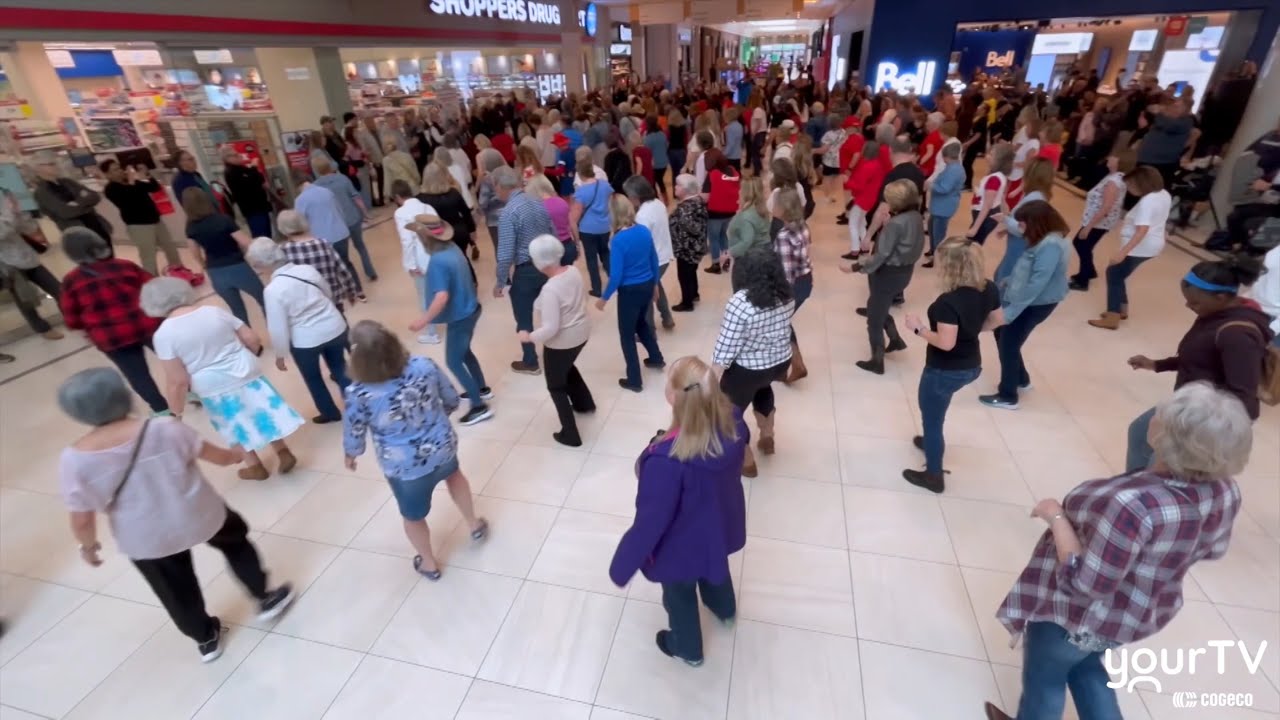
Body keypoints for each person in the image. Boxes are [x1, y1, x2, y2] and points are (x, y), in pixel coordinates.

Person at [984, 382, 1250, 720]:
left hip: (1073, 617)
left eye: (1161, 415)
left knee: (1046, 679)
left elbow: (1086, 584)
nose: (1152, 416)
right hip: (1134, 614)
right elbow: (1213, 550)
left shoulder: (1131, 505)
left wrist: (1056, 516)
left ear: (1167, 439)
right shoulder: (1225, 491)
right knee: (1084, 666)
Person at [56, 367, 294, 663]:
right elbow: (219, 458)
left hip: (145, 537)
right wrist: (236, 453)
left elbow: (81, 517)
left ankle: (205, 638)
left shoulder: (74, 460)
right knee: (236, 542)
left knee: (172, 587)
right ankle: (265, 597)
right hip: (199, 513)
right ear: (124, 395)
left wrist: (88, 547)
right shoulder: (164, 428)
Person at [608, 355, 746, 667]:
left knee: (680, 596)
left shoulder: (667, 464)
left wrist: (623, 565)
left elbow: (650, 523)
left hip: (680, 545)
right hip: (719, 526)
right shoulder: (734, 422)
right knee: (715, 569)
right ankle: (725, 611)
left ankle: (687, 648)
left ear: (672, 397)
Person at [343, 320, 489, 580]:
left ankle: (429, 563)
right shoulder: (424, 366)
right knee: (456, 477)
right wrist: (436, 420)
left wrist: (352, 453)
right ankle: (474, 524)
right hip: (442, 446)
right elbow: (452, 399)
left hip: (405, 467)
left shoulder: (358, 393)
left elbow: (354, 430)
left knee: (413, 516)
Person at [143, 277, 302, 480]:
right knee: (262, 410)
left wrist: (176, 413)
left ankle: (255, 466)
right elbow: (251, 338)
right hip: (245, 370)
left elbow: (178, 380)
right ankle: (283, 452)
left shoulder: (164, 334)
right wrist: (253, 354)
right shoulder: (213, 311)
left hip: (212, 385)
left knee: (233, 424)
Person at [1123, 255, 1272, 471]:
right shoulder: (1215, 314)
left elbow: (1243, 395)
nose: (1188, 306)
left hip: (1205, 418)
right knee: (1140, 433)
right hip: (1188, 403)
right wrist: (1156, 365)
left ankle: (1148, 494)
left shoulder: (1237, 335)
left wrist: (1214, 439)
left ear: (1221, 297)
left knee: (1161, 463)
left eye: (1195, 302)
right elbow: (1200, 356)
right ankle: (1135, 485)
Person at [902, 239, 1003, 493]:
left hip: (944, 369)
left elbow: (945, 344)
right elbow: (997, 320)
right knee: (938, 408)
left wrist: (918, 328)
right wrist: (970, 331)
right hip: (972, 365)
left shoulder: (947, 303)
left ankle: (933, 476)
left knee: (932, 418)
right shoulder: (989, 288)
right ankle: (929, 441)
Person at [59, 228, 169, 414]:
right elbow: (153, 287)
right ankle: (189, 391)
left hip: (111, 338)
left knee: (137, 374)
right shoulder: (125, 266)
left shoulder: (71, 281)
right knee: (171, 358)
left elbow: (71, 317)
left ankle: (161, 410)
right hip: (146, 324)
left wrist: (85, 328)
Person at [246, 238, 350, 424]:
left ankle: (330, 413)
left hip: (305, 341)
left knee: (313, 378)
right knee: (340, 366)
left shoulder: (273, 290)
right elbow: (328, 294)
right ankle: (357, 405)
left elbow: (278, 326)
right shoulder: (307, 270)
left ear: (262, 264)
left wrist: (280, 354)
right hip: (334, 327)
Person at [979, 201, 1071, 410]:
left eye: (1022, 224)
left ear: (1035, 223)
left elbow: (1038, 283)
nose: (1019, 229)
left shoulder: (1051, 245)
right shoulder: (1045, 238)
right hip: (1028, 299)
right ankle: (1021, 379)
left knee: (1008, 343)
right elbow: (1030, 268)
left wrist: (1010, 312)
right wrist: (1010, 280)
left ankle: (1008, 395)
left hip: (1035, 303)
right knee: (1005, 336)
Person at [713, 247, 794, 478]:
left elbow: (726, 347)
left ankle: (746, 460)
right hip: (779, 362)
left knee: (728, 412)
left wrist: (712, 378)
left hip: (747, 370)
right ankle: (767, 435)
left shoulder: (740, 302)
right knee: (763, 386)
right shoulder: (786, 294)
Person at [407, 214, 494, 426]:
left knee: (453, 361)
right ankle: (481, 388)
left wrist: (424, 320)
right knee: (465, 353)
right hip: (471, 308)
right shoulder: (452, 248)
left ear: (424, 237)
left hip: (460, 317)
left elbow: (442, 296)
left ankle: (478, 406)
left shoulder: (438, 261)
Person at [518, 234, 595, 446]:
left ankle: (570, 434)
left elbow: (551, 328)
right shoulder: (573, 271)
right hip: (582, 332)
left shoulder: (551, 289)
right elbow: (584, 299)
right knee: (567, 366)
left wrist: (529, 337)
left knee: (555, 386)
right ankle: (584, 403)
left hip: (562, 341)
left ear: (538, 261)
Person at [844, 179, 925, 375]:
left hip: (887, 274)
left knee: (874, 317)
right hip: (904, 273)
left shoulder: (896, 223)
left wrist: (855, 266)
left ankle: (877, 360)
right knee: (878, 306)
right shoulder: (915, 216)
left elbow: (881, 255)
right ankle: (896, 340)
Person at [595, 193, 665, 392]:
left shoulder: (618, 240)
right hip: (646, 285)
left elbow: (616, 276)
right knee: (641, 323)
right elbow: (654, 259)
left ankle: (634, 379)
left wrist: (604, 298)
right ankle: (656, 357)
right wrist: (655, 285)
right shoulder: (643, 230)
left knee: (626, 335)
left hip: (629, 291)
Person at [1088, 166, 1173, 331]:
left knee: (1114, 273)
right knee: (1119, 274)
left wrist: (1122, 252)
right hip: (1152, 244)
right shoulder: (1163, 194)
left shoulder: (1148, 202)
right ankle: (1121, 309)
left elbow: (1142, 230)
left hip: (1141, 246)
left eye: (1131, 185)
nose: (1129, 189)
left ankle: (1113, 317)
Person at [494, 166, 555, 375]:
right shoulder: (538, 202)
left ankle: (530, 361)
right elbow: (552, 231)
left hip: (526, 270)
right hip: (547, 266)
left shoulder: (509, 213)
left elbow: (505, 254)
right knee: (549, 311)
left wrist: (500, 282)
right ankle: (555, 353)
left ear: (502, 187)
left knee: (524, 317)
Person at [182, 187, 264, 327]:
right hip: (238, 266)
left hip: (216, 271)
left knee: (237, 311)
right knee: (264, 300)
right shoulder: (223, 220)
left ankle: (251, 344)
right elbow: (245, 242)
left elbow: (194, 252)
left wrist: (204, 265)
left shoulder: (190, 227)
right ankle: (279, 334)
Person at [292, 168, 367, 302]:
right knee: (346, 262)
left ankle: (335, 296)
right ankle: (358, 291)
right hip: (341, 233)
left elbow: (300, 223)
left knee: (327, 268)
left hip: (321, 239)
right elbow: (340, 211)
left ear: (297, 185)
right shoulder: (326, 192)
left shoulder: (300, 200)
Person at [1, 189, 63, 339]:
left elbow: (26, 227)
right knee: (25, 299)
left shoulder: (4, 195)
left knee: (58, 288)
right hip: (7, 262)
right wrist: (10, 215)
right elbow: (2, 232)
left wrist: (19, 214)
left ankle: (73, 316)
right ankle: (42, 329)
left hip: (26, 256)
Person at [101, 159, 182, 275]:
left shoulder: (131, 183)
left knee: (170, 248)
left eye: (119, 167)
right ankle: (152, 280)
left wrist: (147, 174)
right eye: (115, 170)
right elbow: (129, 197)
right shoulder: (111, 189)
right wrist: (132, 180)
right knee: (149, 256)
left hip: (156, 221)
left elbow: (154, 187)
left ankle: (179, 272)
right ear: (107, 174)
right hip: (139, 226)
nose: (119, 171)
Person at [274, 209, 359, 313]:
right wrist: (351, 292)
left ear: (282, 228)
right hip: (331, 300)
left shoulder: (283, 251)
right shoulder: (324, 244)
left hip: (304, 306)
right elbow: (343, 270)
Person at [1070, 153, 1134, 291]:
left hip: (1098, 222)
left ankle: (1083, 279)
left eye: (1113, 157)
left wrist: (1089, 227)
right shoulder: (1116, 178)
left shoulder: (1113, 182)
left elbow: (1106, 206)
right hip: (1102, 221)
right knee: (1083, 245)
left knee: (1082, 245)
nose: (1109, 157)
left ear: (1119, 162)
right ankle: (1088, 271)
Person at [311, 155, 377, 284]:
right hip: (352, 218)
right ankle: (370, 271)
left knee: (342, 255)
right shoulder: (342, 179)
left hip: (336, 224)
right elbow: (356, 197)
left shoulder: (316, 186)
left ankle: (350, 279)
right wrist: (365, 213)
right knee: (360, 246)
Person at [772, 188, 813, 385]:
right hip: (806, 280)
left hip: (792, 285)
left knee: (780, 321)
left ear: (783, 208)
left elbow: (786, 273)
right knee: (782, 321)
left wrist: (779, 296)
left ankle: (796, 364)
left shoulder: (783, 235)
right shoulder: (803, 226)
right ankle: (792, 364)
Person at [994, 157, 1056, 284]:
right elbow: (1024, 220)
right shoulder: (1038, 194)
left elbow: (1024, 229)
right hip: (1018, 244)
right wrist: (1007, 228)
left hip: (1019, 245)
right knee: (1001, 274)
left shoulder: (1034, 198)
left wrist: (1005, 219)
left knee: (1004, 279)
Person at [626, 175, 676, 331]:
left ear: (635, 196)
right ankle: (667, 318)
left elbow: (642, 243)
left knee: (645, 294)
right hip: (664, 255)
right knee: (656, 286)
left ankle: (648, 329)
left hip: (653, 259)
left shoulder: (642, 216)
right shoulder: (658, 204)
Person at [31, 150, 113, 243]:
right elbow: (66, 212)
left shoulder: (67, 181)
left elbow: (95, 197)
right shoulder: (41, 192)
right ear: (38, 168)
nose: (56, 166)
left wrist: (77, 203)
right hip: (78, 234)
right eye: (51, 164)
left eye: (55, 163)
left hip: (97, 225)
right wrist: (84, 201)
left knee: (109, 254)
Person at [570, 148, 613, 297]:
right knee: (606, 254)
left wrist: (576, 241)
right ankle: (615, 281)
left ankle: (597, 288)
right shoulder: (605, 185)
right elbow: (610, 204)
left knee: (591, 260)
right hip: (604, 227)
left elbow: (573, 219)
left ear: (580, 174)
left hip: (588, 230)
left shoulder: (581, 192)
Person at [419, 163, 477, 263]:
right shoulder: (453, 193)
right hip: (458, 233)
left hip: (436, 236)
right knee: (463, 261)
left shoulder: (420, 199)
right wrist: (472, 230)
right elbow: (466, 213)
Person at [669, 173, 708, 312]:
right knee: (691, 272)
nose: (675, 187)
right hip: (696, 246)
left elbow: (693, 227)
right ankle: (694, 294)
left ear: (685, 189)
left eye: (678, 185)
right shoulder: (698, 202)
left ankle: (687, 302)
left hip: (687, 248)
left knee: (684, 275)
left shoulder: (685, 208)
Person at [923, 143, 965, 268]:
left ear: (946, 156)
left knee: (938, 233)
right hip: (940, 206)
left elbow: (944, 188)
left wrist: (930, 185)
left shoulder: (953, 170)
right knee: (932, 228)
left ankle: (936, 257)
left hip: (943, 207)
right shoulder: (955, 167)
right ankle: (933, 251)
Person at [843, 141, 886, 261]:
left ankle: (855, 250)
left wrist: (847, 181)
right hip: (871, 198)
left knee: (853, 223)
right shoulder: (877, 164)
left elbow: (859, 186)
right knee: (861, 223)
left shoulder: (867, 166)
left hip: (862, 198)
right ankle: (864, 247)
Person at [220, 147, 275, 238]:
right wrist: (254, 167)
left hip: (260, 206)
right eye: (236, 155)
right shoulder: (231, 172)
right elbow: (249, 183)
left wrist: (254, 170)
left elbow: (259, 178)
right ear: (228, 158)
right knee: (261, 236)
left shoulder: (242, 168)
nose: (240, 156)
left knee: (267, 234)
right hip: (253, 209)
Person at [701, 149, 740, 274]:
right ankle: (726, 259)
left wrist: (697, 195)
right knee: (723, 234)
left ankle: (716, 264)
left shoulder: (712, 174)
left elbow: (706, 196)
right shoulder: (733, 171)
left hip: (715, 212)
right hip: (730, 211)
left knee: (713, 238)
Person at [965, 143, 1013, 245]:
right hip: (989, 214)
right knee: (973, 244)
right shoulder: (999, 176)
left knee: (971, 245)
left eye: (991, 155)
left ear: (999, 161)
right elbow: (1000, 198)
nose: (987, 156)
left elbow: (987, 206)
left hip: (985, 215)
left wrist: (975, 228)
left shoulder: (994, 179)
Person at [527, 174, 577, 266]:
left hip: (549, 249)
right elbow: (572, 224)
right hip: (568, 245)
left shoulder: (537, 208)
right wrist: (577, 244)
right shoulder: (562, 201)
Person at [725, 176, 771, 265]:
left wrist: (729, 253)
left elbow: (746, 241)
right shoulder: (761, 210)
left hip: (748, 260)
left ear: (746, 192)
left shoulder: (746, 216)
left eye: (740, 189)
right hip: (763, 255)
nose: (738, 191)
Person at [476, 145, 511, 257]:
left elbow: (483, 202)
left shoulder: (487, 180)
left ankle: (503, 273)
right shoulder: (508, 176)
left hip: (494, 219)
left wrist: (480, 211)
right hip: (510, 215)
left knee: (499, 248)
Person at [170, 150, 221, 219]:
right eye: (190, 159)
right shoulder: (180, 181)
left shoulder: (195, 174)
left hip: (215, 211)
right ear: (181, 163)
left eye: (193, 158)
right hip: (204, 217)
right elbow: (190, 204)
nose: (194, 161)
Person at [381, 138, 421, 203]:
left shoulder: (386, 160)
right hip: (413, 187)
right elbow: (415, 172)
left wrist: (387, 195)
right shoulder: (407, 156)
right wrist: (418, 181)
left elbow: (387, 178)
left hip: (400, 190)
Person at [644, 116, 671, 200]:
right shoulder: (662, 134)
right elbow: (667, 146)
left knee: (653, 183)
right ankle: (666, 199)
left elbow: (647, 152)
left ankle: (656, 200)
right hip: (664, 163)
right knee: (660, 181)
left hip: (654, 164)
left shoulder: (647, 138)